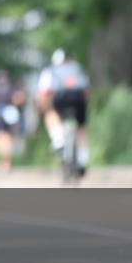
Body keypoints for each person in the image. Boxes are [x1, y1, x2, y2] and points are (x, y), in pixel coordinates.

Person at [36, 49, 90, 177]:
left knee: (50, 114)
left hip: (60, 98)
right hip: (79, 98)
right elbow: (87, 90)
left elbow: (44, 93)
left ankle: (59, 141)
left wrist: (42, 109)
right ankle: (83, 160)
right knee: (81, 128)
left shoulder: (50, 70)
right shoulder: (77, 68)